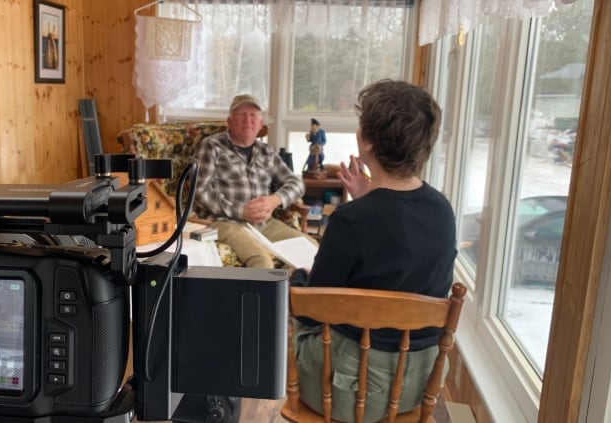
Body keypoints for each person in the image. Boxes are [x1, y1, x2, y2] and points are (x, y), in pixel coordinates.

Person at [290, 79, 456, 423]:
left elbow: (312, 312)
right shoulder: (442, 210)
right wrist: (370, 199)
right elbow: (398, 244)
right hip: (416, 388)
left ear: (366, 141)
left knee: (295, 304)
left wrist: (298, 281)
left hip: (347, 392)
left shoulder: (351, 221)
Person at [194, 94, 315, 269]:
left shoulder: (267, 152)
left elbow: (296, 184)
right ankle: (271, 295)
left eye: (253, 115)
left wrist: (274, 200)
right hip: (225, 222)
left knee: (312, 252)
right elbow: (200, 191)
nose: (248, 120)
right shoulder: (212, 146)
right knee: (262, 262)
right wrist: (242, 211)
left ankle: (287, 294)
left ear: (260, 124)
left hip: (265, 224)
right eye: (241, 114)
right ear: (229, 121)